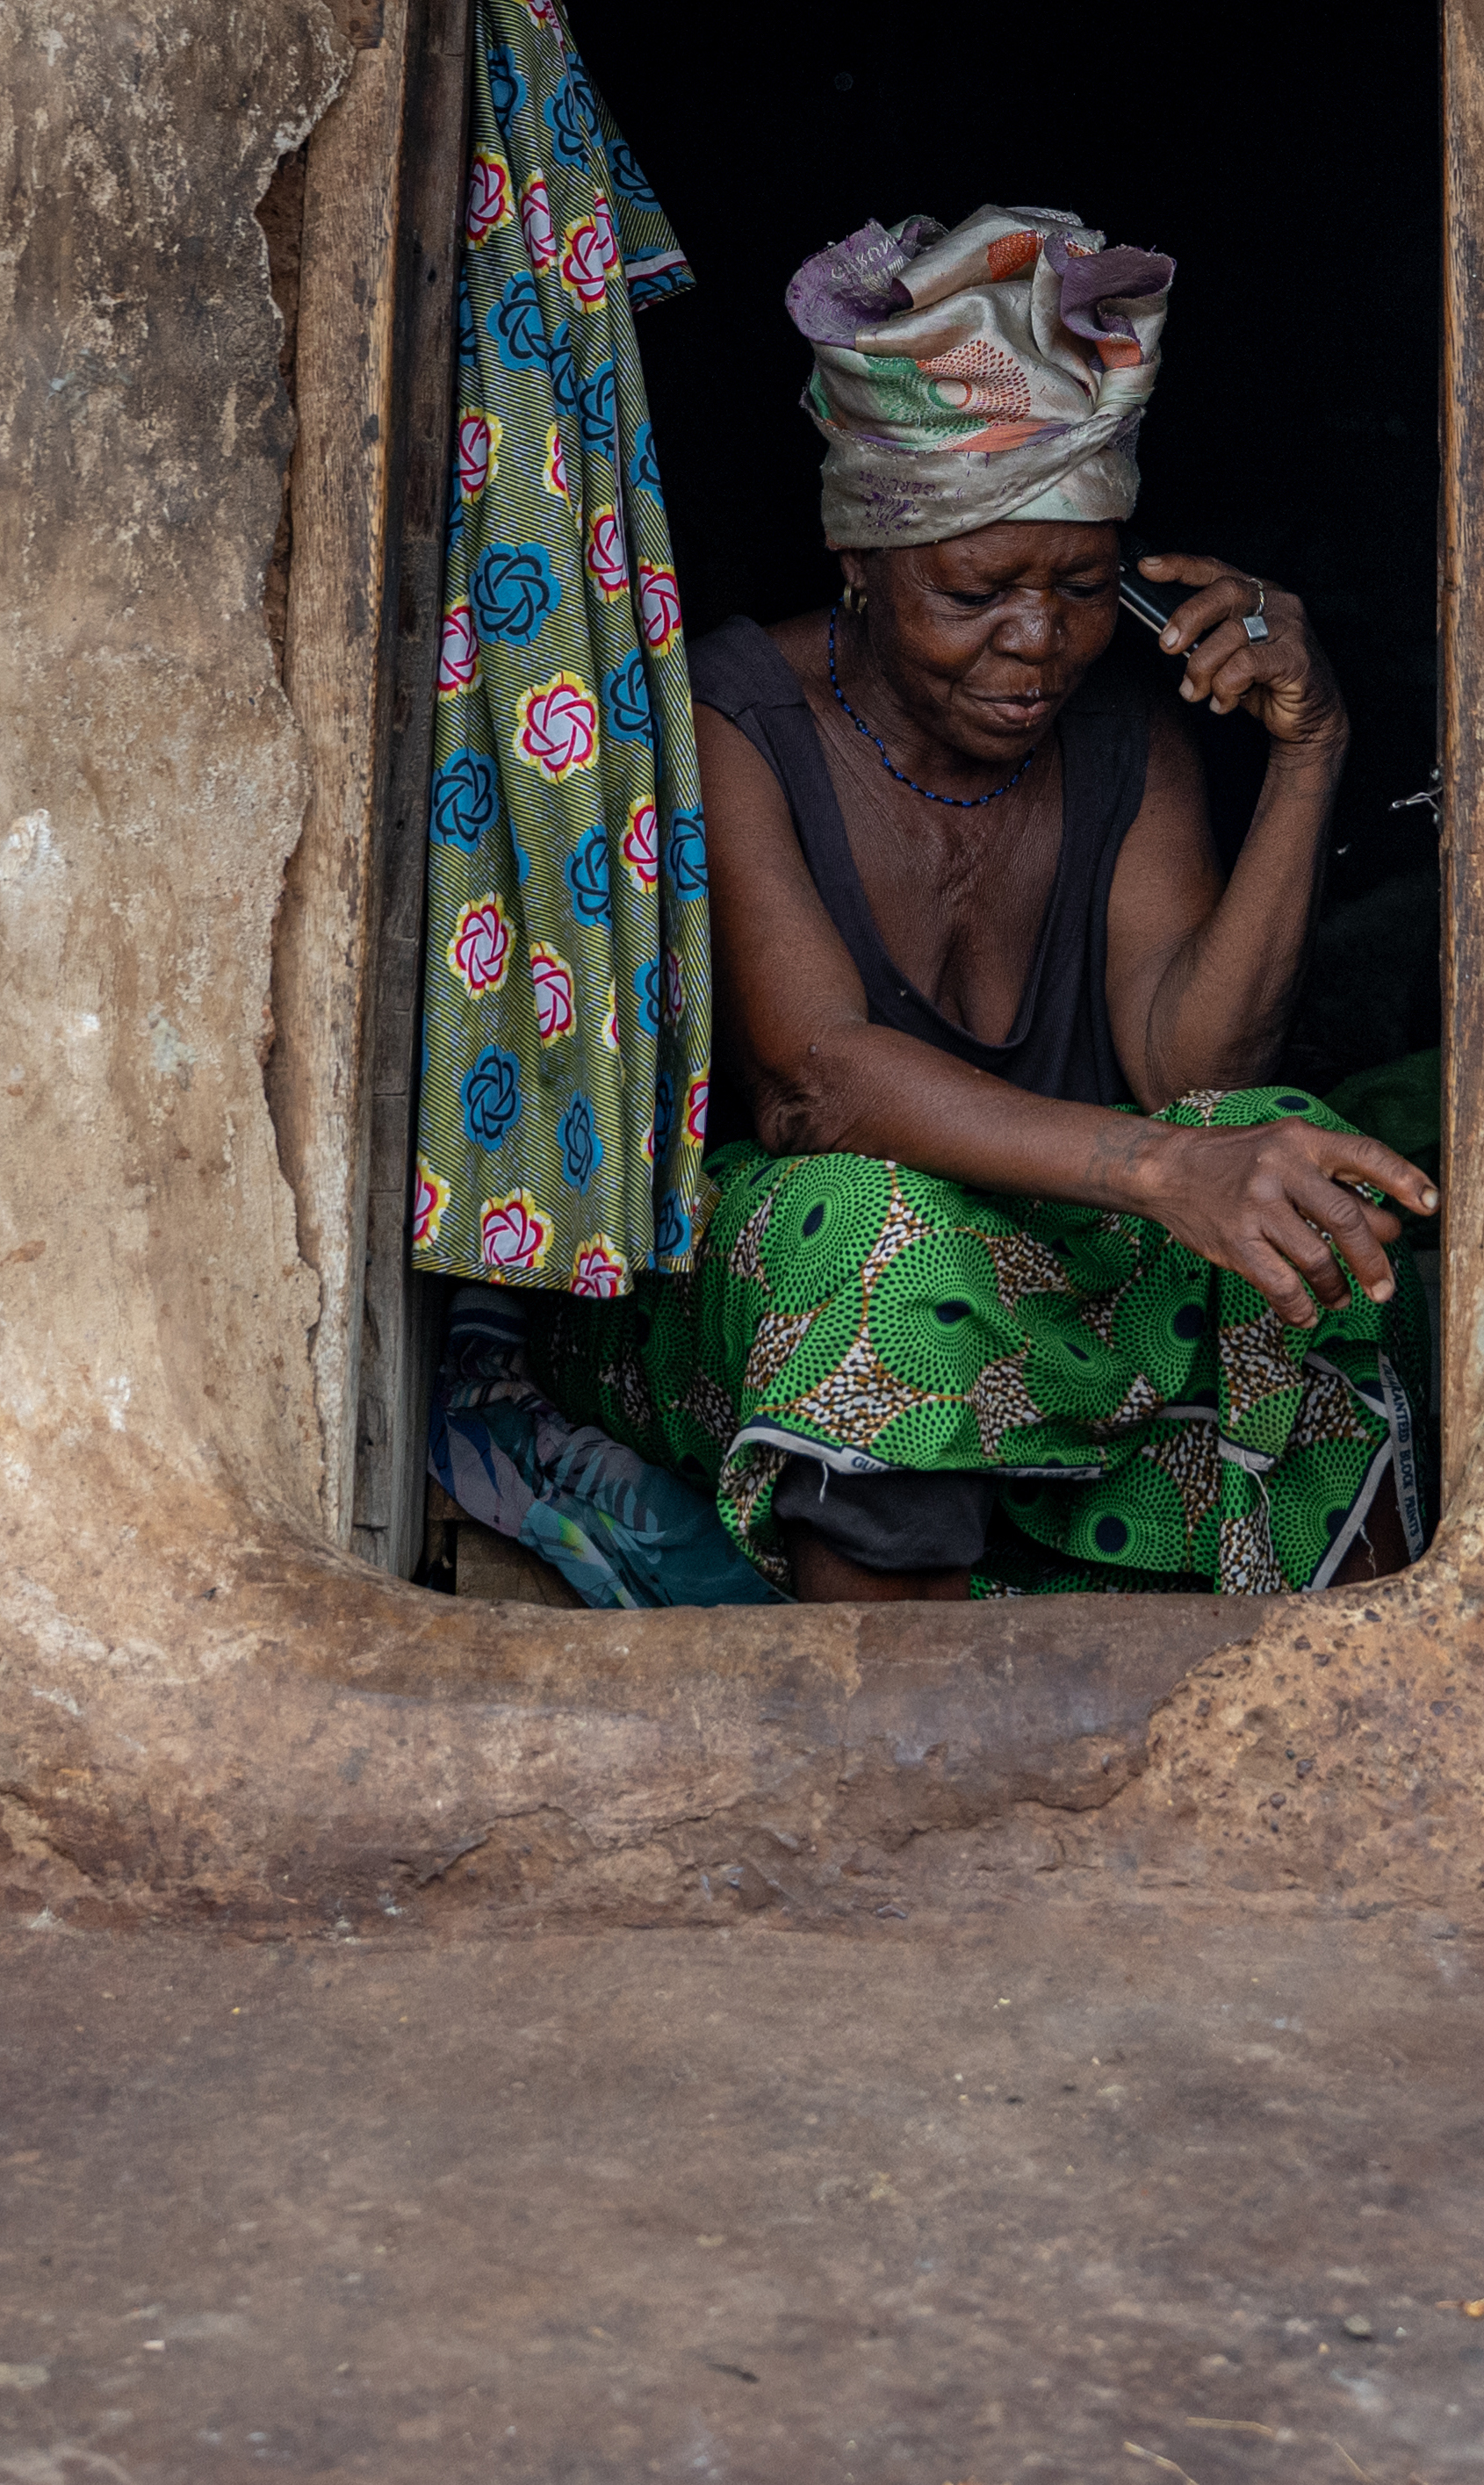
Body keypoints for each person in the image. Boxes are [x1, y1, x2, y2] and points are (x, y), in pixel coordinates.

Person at [535, 203, 1438, 1600]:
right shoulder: (733, 718)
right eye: (974, 590)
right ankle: (907, 1740)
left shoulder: (1128, 730)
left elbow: (1195, 1077)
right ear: (860, 559)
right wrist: (1157, 1169)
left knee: (1290, 1163)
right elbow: (815, 1085)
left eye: (1081, 588)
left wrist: (1310, 747)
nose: (1038, 640)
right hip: (778, 1292)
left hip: (1050, 1276)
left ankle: (1333, 1684)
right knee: (867, 1226)